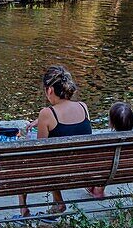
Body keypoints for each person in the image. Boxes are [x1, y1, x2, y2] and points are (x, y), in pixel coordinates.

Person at [19, 65, 91, 217]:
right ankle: (57, 202)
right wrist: (41, 121)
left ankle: (23, 207)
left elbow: (40, 152)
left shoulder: (47, 113)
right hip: (82, 168)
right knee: (55, 161)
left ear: (50, 90)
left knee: (25, 159)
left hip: (56, 172)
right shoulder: (83, 108)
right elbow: (68, 122)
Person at [86, 102, 133, 199]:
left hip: (111, 171)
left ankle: (98, 190)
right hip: (130, 169)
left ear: (111, 123)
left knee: (104, 162)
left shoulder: (106, 141)